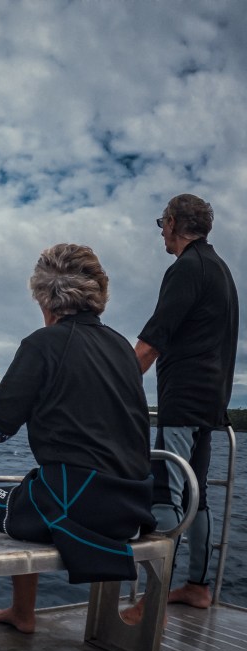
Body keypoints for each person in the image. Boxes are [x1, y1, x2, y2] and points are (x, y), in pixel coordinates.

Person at [0, 243, 156, 642]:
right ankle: (21, 613)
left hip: (80, 508)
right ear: (98, 295)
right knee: (29, 490)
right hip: (134, 509)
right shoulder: (121, 348)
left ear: (44, 299)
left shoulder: (42, 343)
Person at [130, 194, 238, 614]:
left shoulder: (187, 269)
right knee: (198, 497)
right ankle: (197, 586)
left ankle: (149, 603)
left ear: (173, 223)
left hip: (183, 399)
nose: (161, 232)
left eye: (162, 224)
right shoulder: (221, 270)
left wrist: (113, 381)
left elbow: (153, 339)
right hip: (211, 402)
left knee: (166, 494)